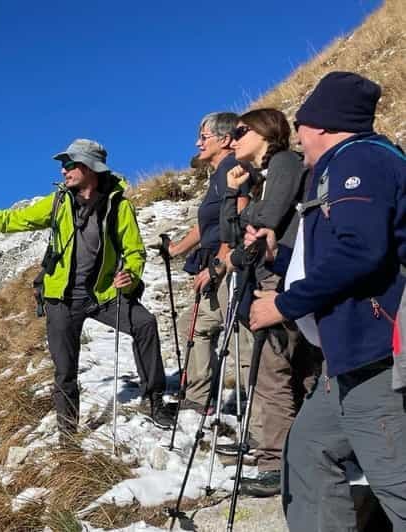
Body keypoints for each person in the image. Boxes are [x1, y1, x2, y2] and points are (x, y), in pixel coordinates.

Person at [248, 71, 406, 530]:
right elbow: (342, 251)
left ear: (321, 124)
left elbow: (361, 250)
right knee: (309, 451)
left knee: (396, 480)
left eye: (302, 124)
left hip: (375, 351)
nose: (298, 135)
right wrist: (281, 259)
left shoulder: (360, 160)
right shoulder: (346, 165)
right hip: (346, 356)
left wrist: (283, 305)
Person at [0, 139, 175, 438]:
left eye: (69, 164)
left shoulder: (118, 206)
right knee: (65, 371)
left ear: (90, 168)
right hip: (60, 300)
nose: (63, 171)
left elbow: (135, 250)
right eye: (63, 165)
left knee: (145, 324)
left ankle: (153, 401)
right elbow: (11, 220)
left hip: (102, 296)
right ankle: (68, 436)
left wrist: (129, 274)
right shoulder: (58, 202)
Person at [219, 108, 318, 497]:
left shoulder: (283, 163)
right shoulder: (259, 176)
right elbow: (232, 230)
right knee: (292, 369)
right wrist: (234, 195)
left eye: (242, 131)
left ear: (265, 131)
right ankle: (294, 457)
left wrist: (249, 213)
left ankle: (278, 463)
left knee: (275, 370)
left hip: (281, 279)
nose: (234, 138)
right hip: (270, 276)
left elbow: (270, 214)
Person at [168, 112, 251, 411]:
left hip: (228, 266)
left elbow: (237, 219)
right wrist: (177, 249)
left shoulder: (233, 168)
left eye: (204, 137)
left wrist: (218, 264)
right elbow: (208, 224)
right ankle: (199, 398)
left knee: (238, 334)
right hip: (217, 263)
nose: (197, 143)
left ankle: (253, 416)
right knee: (195, 325)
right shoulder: (220, 173)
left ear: (225, 139)